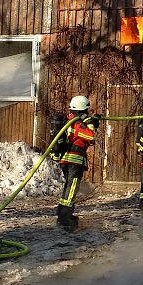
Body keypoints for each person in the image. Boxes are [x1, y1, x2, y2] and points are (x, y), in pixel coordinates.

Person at [54, 95, 97, 229]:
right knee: (71, 189)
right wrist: (89, 122)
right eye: (86, 111)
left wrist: (92, 122)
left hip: (67, 159)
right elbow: (91, 136)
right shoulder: (77, 123)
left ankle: (63, 214)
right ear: (83, 109)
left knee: (68, 188)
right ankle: (65, 218)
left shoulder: (70, 120)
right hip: (74, 160)